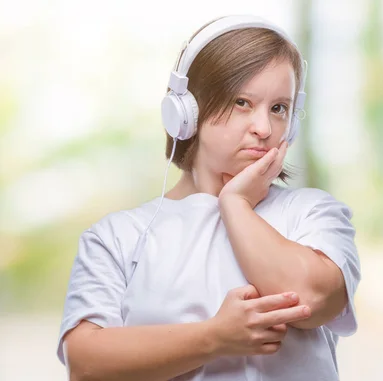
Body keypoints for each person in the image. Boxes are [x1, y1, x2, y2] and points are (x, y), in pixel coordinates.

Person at [57, 14, 361, 381]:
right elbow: (86, 365)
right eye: (242, 102)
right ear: (187, 112)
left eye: (279, 108)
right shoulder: (118, 236)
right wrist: (214, 337)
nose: (264, 129)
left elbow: (312, 301)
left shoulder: (312, 212)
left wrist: (235, 204)